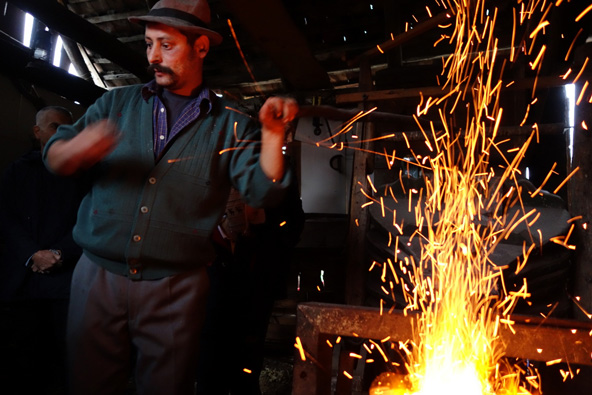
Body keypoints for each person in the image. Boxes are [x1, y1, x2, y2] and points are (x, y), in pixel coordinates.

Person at [42, 0, 298, 394]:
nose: (153, 57)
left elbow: (263, 193)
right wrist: (72, 153)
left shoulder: (231, 121)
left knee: (167, 386)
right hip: (97, 278)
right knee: (88, 384)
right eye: (148, 44)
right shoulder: (116, 103)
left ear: (200, 47)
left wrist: (273, 136)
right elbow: (55, 153)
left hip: (177, 287)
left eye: (166, 45)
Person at [196, 163, 304, 395]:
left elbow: (294, 224)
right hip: (207, 275)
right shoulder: (204, 160)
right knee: (208, 362)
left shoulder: (276, 169)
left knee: (247, 361)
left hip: (255, 277)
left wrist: (264, 220)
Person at [0, 106, 84, 394]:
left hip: (66, 284)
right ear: (37, 132)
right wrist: (33, 254)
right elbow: (5, 218)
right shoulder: (17, 170)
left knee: (66, 359)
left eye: (67, 128)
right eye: (54, 127)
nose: (63, 133)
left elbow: (91, 220)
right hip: (22, 283)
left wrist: (60, 254)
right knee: (24, 361)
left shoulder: (84, 174)